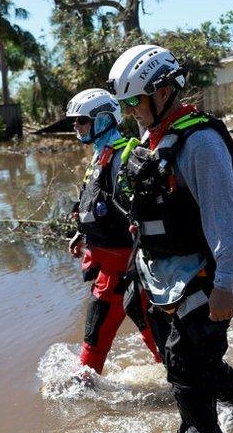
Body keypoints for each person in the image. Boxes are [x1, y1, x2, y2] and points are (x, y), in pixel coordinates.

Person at [105, 44, 233, 433]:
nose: (129, 111)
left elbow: (225, 217)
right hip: (160, 276)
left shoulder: (200, 143)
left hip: (201, 278)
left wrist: (226, 283)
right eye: (123, 104)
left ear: (163, 92)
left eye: (133, 101)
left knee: (185, 370)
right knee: (189, 364)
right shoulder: (149, 139)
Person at [65, 88, 161, 380]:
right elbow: (95, 202)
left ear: (104, 119)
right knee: (94, 340)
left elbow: (147, 211)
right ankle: (81, 392)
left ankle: (200, 391)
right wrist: (81, 233)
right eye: (75, 121)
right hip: (108, 270)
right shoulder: (99, 157)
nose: (76, 127)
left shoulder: (125, 157)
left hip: (134, 272)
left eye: (81, 121)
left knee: (162, 342)